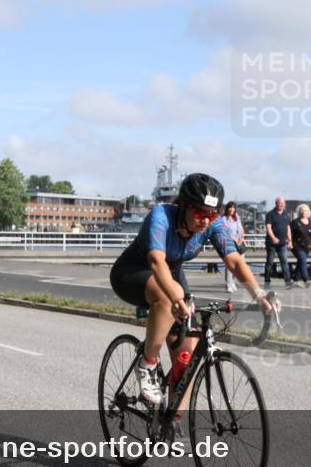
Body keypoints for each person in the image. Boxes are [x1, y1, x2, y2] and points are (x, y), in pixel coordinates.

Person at [110, 173, 276, 406]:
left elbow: (234, 261)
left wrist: (257, 293)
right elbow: (157, 261)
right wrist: (176, 297)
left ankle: (173, 420)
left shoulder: (212, 224)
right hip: (132, 273)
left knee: (187, 359)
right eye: (199, 213)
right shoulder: (161, 215)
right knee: (170, 295)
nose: (206, 221)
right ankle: (147, 363)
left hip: (172, 276)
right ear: (183, 205)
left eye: (212, 214)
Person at [264, 196, 293, 288]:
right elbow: (268, 227)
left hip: (282, 243)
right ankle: (267, 282)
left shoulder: (286, 214)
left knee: (284, 262)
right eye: (280, 203)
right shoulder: (270, 214)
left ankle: (288, 282)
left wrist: (290, 240)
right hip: (271, 243)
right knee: (270, 262)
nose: (281, 205)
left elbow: (288, 228)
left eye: (283, 203)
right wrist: (273, 237)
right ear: (276, 204)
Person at [221, 201, 246, 292]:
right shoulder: (223, 218)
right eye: (230, 207)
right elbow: (223, 231)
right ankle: (228, 284)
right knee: (229, 265)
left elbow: (241, 229)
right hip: (229, 244)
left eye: (233, 208)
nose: (231, 209)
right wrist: (233, 239)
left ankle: (233, 282)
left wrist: (242, 238)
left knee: (239, 265)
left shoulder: (237, 217)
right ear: (227, 208)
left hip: (239, 244)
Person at [290, 203, 311, 288]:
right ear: (299, 212)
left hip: (307, 246)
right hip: (296, 245)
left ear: (308, 212)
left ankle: (295, 280)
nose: (303, 212)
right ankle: (306, 279)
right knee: (303, 259)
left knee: (300, 262)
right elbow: (289, 233)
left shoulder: (310, 222)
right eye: (302, 210)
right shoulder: (295, 222)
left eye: (305, 210)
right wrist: (289, 242)